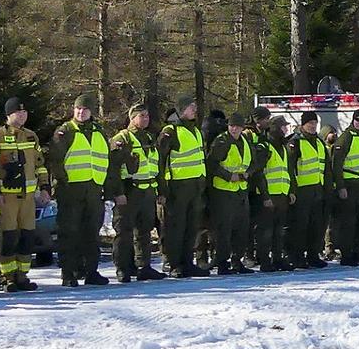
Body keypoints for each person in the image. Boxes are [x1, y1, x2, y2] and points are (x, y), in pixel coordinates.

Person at [50, 94, 112, 286]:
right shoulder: (65, 131)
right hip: (71, 190)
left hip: (94, 189)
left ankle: (91, 271)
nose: (81, 112)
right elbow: (56, 160)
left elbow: (107, 161)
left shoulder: (99, 132)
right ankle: (69, 273)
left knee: (91, 232)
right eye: (78, 109)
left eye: (85, 109)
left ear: (91, 111)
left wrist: (107, 190)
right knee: (69, 232)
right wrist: (62, 184)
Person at [0, 98, 43, 292]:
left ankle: (22, 275)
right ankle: (7, 276)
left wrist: (45, 187)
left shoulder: (31, 136)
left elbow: (40, 164)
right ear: (8, 114)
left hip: (28, 196)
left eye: (25, 113)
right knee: (9, 235)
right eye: (18, 112)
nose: (22, 116)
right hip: (7, 196)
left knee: (27, 235)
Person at [156, 97, 209, 277]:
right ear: (181, 110)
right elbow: (160, 161)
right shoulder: (171, 131)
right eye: (190, 107)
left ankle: (187, 261)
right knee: (175, 228)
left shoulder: (194, 130)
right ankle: (174, 264)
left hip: (194, 187)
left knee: (191, 226)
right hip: (177, 187)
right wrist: (162, 189)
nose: (194, 110)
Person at [108, 105, 162, 282]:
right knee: (124, 232)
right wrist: (118, 192)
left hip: (147, 191)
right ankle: (123, 268)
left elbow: (156, 167)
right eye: (141, 115)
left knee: (144, 231)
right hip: (129, 191)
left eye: (147, 115)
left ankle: (143, 266)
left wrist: (160, 190)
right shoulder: (122, 138)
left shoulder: (148, 137)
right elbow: (113, 169)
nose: (145, 119)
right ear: (132, 118)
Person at [205, 112, 255, 275]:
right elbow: (211, 163)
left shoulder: (246, 141)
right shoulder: (221, 141)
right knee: (223, 229)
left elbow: (254, 161)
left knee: (241, 228)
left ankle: (237, 260)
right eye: (231, 126)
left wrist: (249, 173)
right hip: (223, 191)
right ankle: (222, 262)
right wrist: (228, 176)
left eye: (237, 126)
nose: (234, 129)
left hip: (241, 191)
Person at [331, 110, 359, 265]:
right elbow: (336, 163)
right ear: (353, 121)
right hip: (349, 183)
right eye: (357, 120)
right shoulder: (347, 137)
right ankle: (347, 254)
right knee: (349, 222)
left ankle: (358, 252)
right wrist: (340, 186)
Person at [287, 112, 330, 268]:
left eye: (314, 123)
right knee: (300, 226)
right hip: (302, 190)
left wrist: (327, 188)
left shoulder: (319, 142)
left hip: (318, 189)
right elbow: (289, 168)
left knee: (316, 225)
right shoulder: (296, 142)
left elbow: (326, 167)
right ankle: (297, 256)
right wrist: (292, 189)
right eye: (309, 123)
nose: (312, 126)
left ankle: (313, 255)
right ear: (303, 124)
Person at [251, 117, 294, 271]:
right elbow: (258, 172)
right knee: (265, 231)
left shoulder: (283, 147)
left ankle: (277, 258)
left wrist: (291, 191)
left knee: (279, 230)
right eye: (284, 127)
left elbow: (288, 171)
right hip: (268, 196)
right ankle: (264, 261)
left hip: (282, 194)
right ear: (275, 128)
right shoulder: (264, 146)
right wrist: (265, 196)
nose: (286, 129)